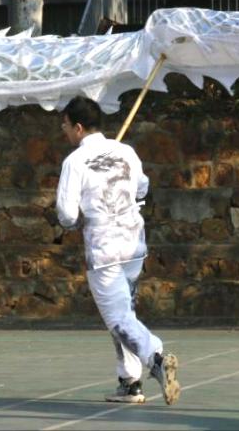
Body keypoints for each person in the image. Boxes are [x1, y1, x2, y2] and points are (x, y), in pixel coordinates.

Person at [56, 96, 180, 406]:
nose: (64, 131)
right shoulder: (126, 151)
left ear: (79, 127)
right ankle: (130, 381)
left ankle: (156, 357)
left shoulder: (74, 162)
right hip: (134, 243)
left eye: (65, 125)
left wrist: (78, 219)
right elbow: (142, 187)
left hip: (104, 250)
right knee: (126, 313)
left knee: (118, 319)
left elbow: (66, 214)